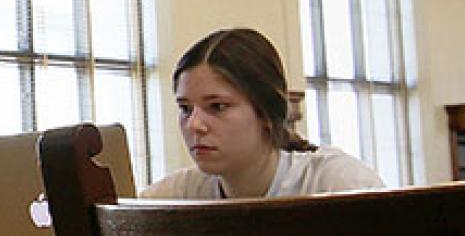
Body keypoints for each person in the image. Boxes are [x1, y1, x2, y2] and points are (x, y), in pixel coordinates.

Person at [144, 27, 385, 199]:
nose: (194, 124)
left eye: (217, 106)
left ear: (265, 114)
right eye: (185, 109)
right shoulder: (178, 194)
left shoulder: (338, 184)